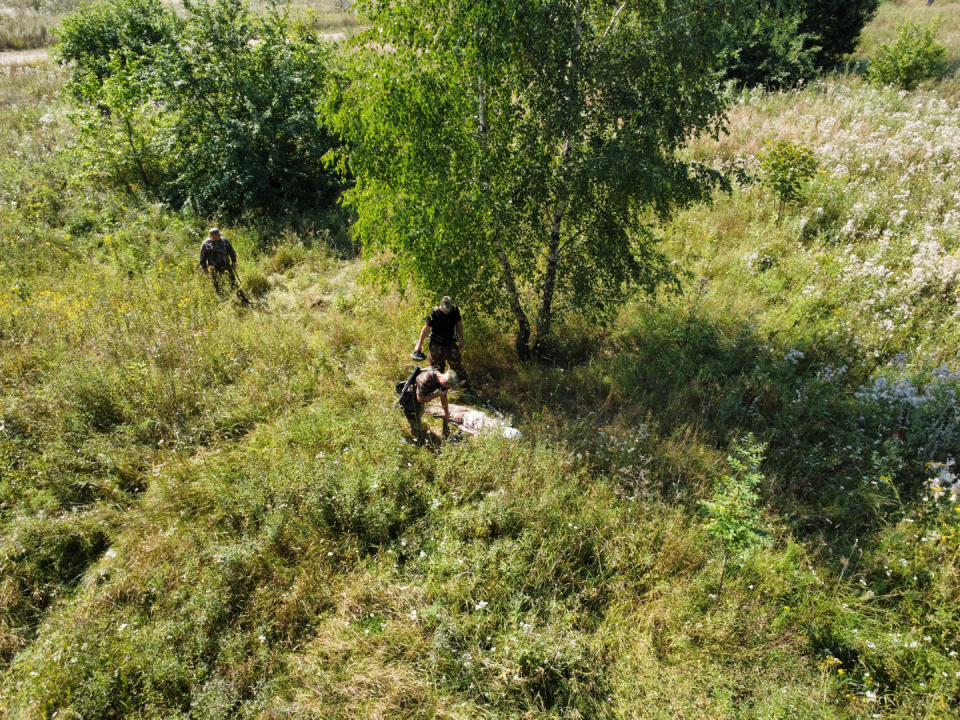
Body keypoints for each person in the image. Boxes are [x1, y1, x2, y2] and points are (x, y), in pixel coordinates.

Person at [412, 296, 470, 390]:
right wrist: (419, 344)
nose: (446, 311)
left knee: (457, 366)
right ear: (440, 305)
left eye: (448, 309)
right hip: (436, 345)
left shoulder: (455, 311)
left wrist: (461, 340)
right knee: (436, 369)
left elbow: (459, 324)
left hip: (450, 344)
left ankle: (464, 388)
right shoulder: (433, 314)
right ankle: (437, 389)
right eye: (444, 309)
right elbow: (425, 329)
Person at [401, 367, 458, 445]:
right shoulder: (426, 379)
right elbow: (420, 399)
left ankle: (417, 425)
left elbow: (443, 397)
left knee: (420, 413)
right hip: (410, 398)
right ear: (444, 382)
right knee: (415, 423)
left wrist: (447, 414)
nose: (448, 388)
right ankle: (417, 442)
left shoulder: (441, 379)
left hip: (420, 395)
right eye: (449, 386)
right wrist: (437, 394)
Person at [199, 228, 247, 301]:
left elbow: (231, 251)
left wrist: (234, 262)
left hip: (226, 266)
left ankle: (241, 297)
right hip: (213, 268)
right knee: (217, 284)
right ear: (212, 235)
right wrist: (205, 267)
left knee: (233, 282)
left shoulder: (224, 241)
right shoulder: (206, 244)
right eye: (218, 235)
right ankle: (222, 299)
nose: (220, 236)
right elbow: (202, 257)